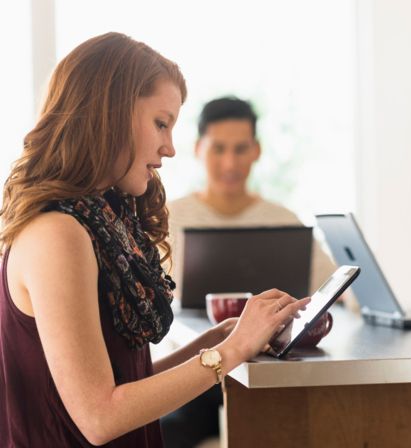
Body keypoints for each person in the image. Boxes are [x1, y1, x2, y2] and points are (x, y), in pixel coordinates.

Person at [0, 32, 309, 447]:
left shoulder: (96, 222)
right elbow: (100, 416)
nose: (170, 148)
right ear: (107, 114)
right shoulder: (58, 234)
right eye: (160, 123)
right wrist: (230, 353)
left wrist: (218, 341)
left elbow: (127, 384)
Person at [161, 96, 337, 446]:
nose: (230, 162)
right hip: (195, 372)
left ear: (256, 151)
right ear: (198, 149)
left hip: (273, 373)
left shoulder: (283, 221)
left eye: (241, 149)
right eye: (219, 149)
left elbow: (335, 292)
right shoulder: (167, 219)